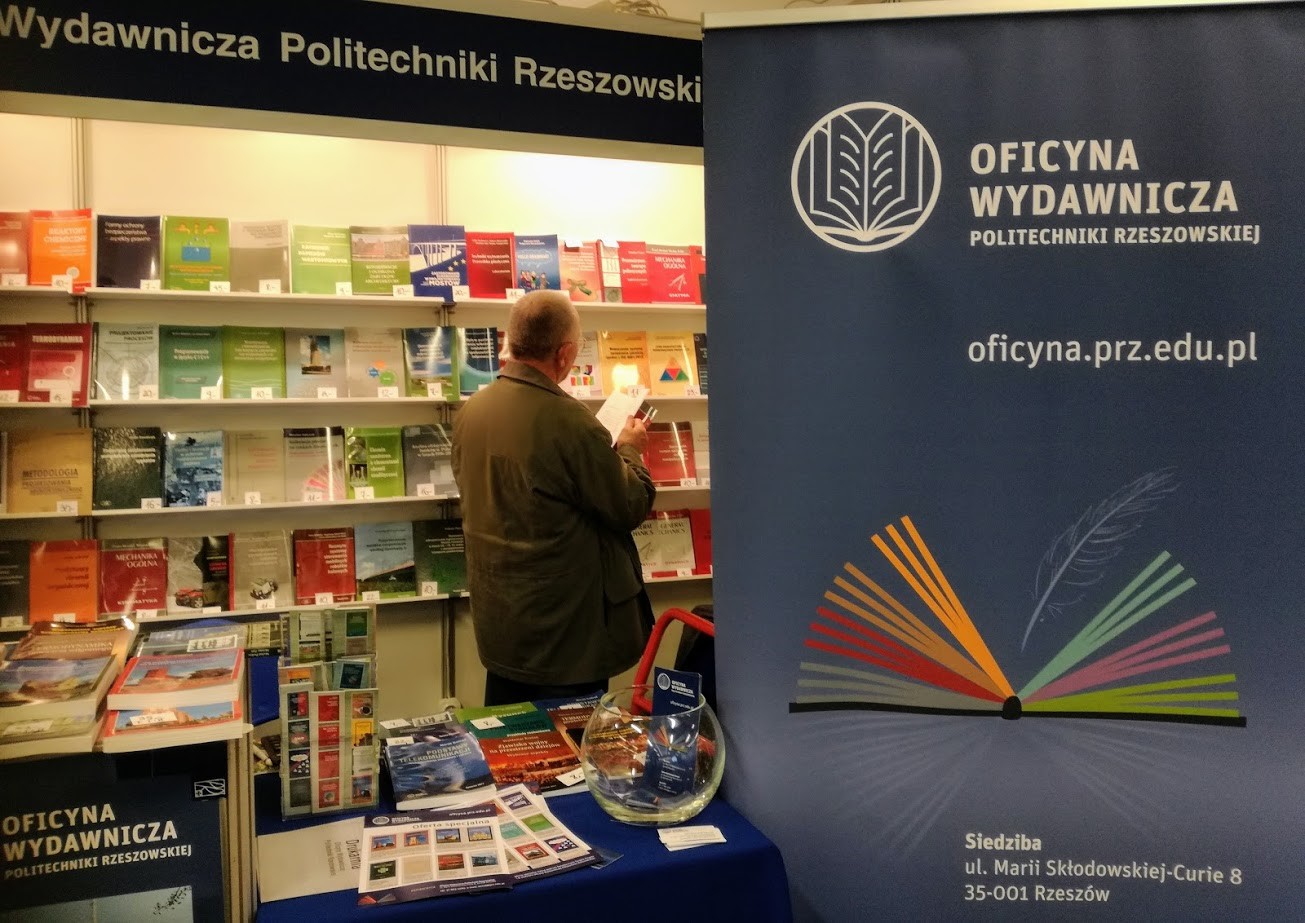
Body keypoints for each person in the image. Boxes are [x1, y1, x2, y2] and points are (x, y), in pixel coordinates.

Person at [452, 290, 656, 706]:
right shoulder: (568, 420)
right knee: (568, 743)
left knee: (509, 734)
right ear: (563, 354)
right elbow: (631, 504)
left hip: (503, 625)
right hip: (565, 637)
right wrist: (630, 449)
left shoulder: (473, 410)